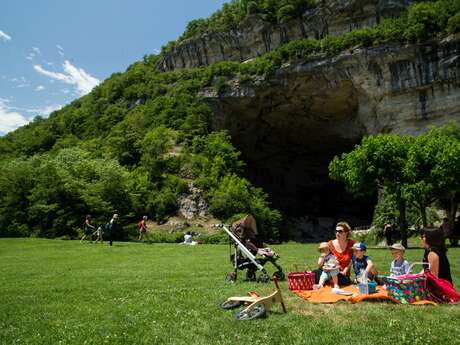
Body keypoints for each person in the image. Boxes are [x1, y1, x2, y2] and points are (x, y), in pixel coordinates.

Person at [314, 221, 355, 286]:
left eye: (340, 231)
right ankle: (329, 280)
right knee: (314, 273)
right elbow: (323, 257)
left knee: (344, 281)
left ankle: (328, 281)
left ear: (346, 233)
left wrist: (346, 269)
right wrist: (323, 267)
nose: (337, 233)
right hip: (328, 271)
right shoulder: (330, 244)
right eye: (336, 231)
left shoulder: (352, 244)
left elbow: (353, 260)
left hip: (342, 273)